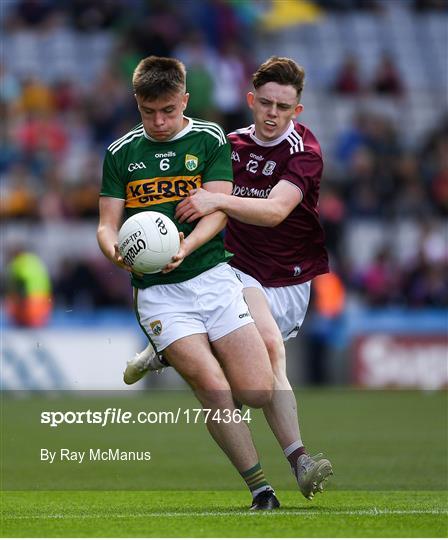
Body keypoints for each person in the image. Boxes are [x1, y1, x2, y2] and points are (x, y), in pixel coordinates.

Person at [126, 56, 334, 501]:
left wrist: (215, 201)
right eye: (265, 103)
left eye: (283, 106)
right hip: (233, 268)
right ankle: (300, 461)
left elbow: (276, 211)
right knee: (268, 351)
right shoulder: (228, 144)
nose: (273, 114)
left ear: (297, 111)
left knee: (245, 389)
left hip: (287, 278)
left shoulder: (305, 152)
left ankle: (168, 347)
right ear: (250, 101)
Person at [97, 56, 279, 511]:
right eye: (148, 111)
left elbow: (219, 210)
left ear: (185, 100)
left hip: (212, 277)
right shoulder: (121, 154)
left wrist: (186, 244)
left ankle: (165, 353)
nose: (158, 121)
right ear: (137, 103)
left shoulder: (209, 138)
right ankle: (261, 490)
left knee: (257, 392)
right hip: (159, 293)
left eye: (168, 111)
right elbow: (105, 225)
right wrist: (113, 252)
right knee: (212, 387)